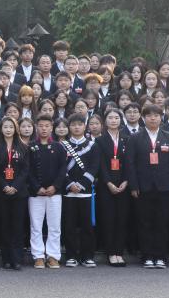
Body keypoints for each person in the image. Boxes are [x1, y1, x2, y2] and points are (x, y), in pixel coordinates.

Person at [126, 104, 169, 269]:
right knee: (144, 222)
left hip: (165, 187)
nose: (153, 118)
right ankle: (147, 256)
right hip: (142, 187)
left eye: (156, 115)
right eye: (149, 115)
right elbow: (130, 164)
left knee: (162, 223)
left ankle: (161, 256)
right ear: (143, 118)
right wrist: (133, 185)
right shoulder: (135, 138)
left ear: (161, 118)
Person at [27, 114, 66, 268]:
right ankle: (38, 256)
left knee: (54, 226)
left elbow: (63, 169)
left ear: (52, 128)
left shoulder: (58, 147)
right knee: (36, 225)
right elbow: (27, 170)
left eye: (47, 126)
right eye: (41, 126)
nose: (44, 129)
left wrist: (55, 186)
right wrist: (37, 187)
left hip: (54, 193)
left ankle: (53, 255)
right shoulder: (30, 147)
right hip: (36, 193)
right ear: (36, 127)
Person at [61, 113, 98, 268]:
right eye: (73, 125)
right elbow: (60, 168)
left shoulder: (92, 145)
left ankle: (87, 256)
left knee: (87, 226)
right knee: (69, 225)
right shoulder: (62, 145)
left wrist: (81, 184)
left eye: (79, 124)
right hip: (68, 191)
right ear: (69, 127)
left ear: (85, 126)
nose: (76, 127)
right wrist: (69, 184)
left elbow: (94, 167)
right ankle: (71, 255)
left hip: (86, 191)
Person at [95, 109, 129, 266]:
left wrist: (126, 181)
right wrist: (108, 182)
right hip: (106, 185)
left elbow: (130, 162)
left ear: (121, 120)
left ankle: (119, 252)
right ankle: (110, 253)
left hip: (123, 185)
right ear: (105, 121)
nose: (114, 120)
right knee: (108, 219)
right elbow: (100, 164)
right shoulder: (100, 140)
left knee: (122, 219)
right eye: (110, 118)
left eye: (116, 117)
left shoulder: (127, 139)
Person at [0, 116, 29, 270]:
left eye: (11, 127)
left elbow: (25, 170)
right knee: (4, 225)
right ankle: (6, 258)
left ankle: (17, 258)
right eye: (5, 127)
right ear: (1, 129)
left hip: (19, 192)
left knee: (17, 225)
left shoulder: (23, 147)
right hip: (1, 191)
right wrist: (4, 185)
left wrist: (15, 186)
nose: (8, 130)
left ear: (15, 129)